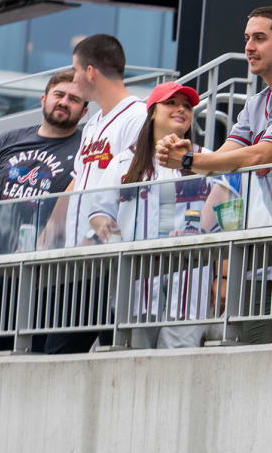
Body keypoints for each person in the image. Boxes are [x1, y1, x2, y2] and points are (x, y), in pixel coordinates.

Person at [156, 5, 272, 344]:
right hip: (268, 253)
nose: (249, 46)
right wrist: (182, 153)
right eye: (247, 38)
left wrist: (189, 160)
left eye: (260, 38)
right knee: (250, 351)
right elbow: (225, 156)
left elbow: (258, 155)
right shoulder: (256, 102)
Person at [86, 82, 224, 349]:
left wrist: (221, 276)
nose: (181, 109)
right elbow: (101, 213)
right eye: (171, 103)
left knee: (178, 371)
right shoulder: (124, 162)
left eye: (187, 105)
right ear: (152, 112)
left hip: (189, 289)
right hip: (136, 288)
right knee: (132, 367)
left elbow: (226, 213)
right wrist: (118, 245)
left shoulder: (206, 159)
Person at [38, 34, 148, 355]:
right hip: (80, 262)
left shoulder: (138, 115)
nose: (73, 79)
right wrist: (48, 232)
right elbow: (77, 182)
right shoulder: (92, 124)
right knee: (61, 355)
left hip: (112, 258)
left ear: (90, 71)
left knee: (88, 355)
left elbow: (130, 184)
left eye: (74, 70)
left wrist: (100, 235)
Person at [0, 69, 87, 357]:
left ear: (83, 111)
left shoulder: (85, 147)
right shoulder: (8, 140)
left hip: (51, 277)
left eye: (74, 99)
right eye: (59, 95)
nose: (64, 102)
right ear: (44, 99)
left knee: (37, 357)